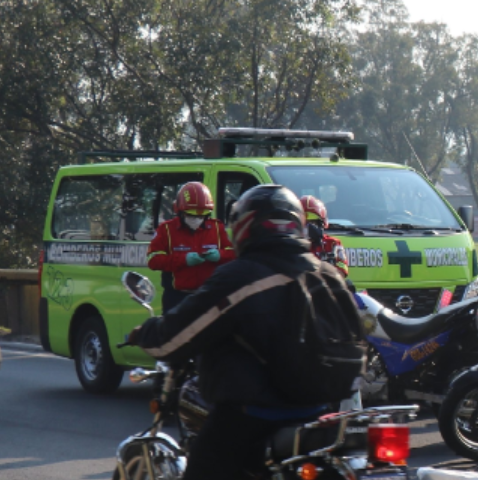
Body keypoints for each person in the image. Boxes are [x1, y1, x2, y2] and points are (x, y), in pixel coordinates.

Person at [131, 185, 354, 480]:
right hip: (319, 414)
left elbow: (175, 337)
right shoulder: (326, 275)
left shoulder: (241, 276)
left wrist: (145, 333)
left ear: (245, 227)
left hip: (252, 415)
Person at [146, 182, 236, 313]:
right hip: (177, 298)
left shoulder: (217, 228)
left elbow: (235, 254)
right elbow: (153, 260)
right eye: (192, 215)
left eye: (201, 215)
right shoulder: (166, 230)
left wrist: (220, 255)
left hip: (209, 296)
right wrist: (183, 259)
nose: (197, 219)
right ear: (180, 211)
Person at [299, 195, 349, 276]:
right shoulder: (290, 245)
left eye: (312, 222)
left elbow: (342, 270)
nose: (308, 228)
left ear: (321, 225)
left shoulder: (332, 244)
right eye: (304, 223)